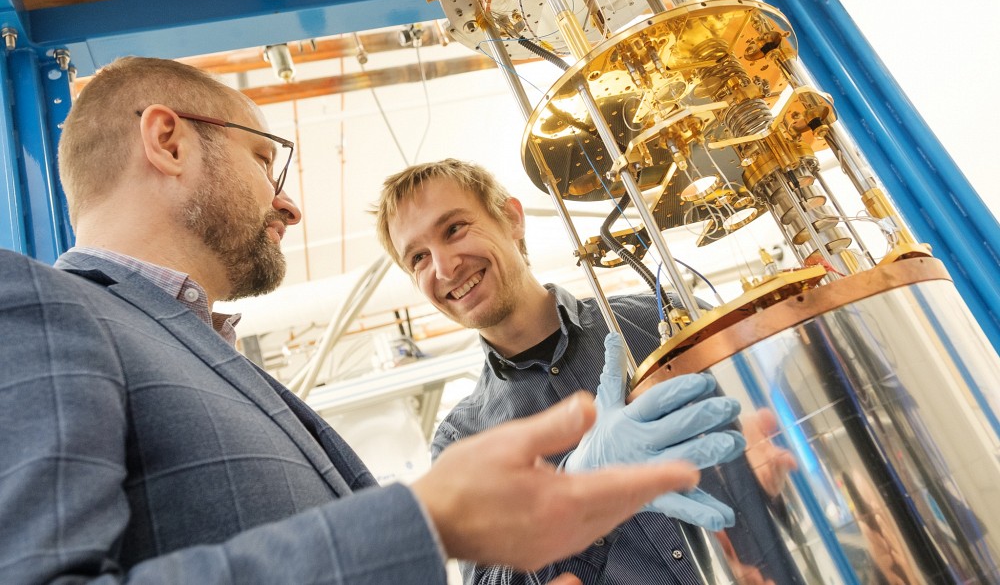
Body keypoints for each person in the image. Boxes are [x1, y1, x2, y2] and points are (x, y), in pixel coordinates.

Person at [0, 57, 706, 584]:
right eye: (263, 160)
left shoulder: (201, 353)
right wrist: (427, 521)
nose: (290, 206)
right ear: (169, 141)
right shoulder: (43, 308)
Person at [376, 159, 805, 584]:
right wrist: (570, 495)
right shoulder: (462, 440)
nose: (445, 267)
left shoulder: (659, 322)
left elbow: (790, 439)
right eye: (418, 257)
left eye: (454, 229)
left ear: (511, 218)